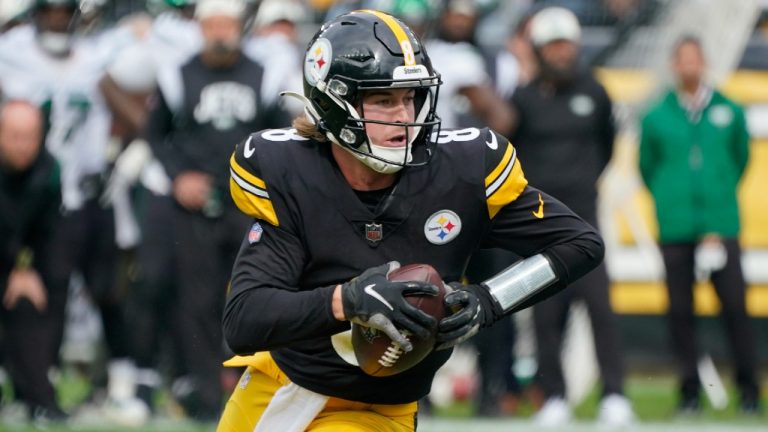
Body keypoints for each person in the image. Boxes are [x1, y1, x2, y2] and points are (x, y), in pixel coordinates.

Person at [216, 10, 604, 431]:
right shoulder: (289, 173)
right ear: (333, 102)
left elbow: (580, 243)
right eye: (384, 99)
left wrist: (489, 301)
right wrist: (348, 301)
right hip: (276, 393)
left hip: (379, 411)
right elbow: (244, 319)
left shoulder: (460, 172)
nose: (404, 115)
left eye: (411, 97)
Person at [506, 7, 634, 426]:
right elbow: (510, 150)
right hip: (541, 222)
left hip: (585, 215)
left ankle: (614, 394)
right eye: (553, 45)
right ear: (540, 50)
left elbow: (608, 146)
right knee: (546, 313)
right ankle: (553, 396)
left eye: (567, 44)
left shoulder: (595, 92)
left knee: (600, 307)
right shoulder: (523, 97)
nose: (562, 53)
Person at [142, 0, 268, 420]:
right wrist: (179, 177)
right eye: (211, 24)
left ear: (238, 27)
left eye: (225, 24)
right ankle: (207, 400)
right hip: (196, 205)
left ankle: (260, 392)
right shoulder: (177, 75)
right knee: (196, 302)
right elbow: (155, 134)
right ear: (200, 28)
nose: (218, 32)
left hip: (248, 204)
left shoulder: (266, 74)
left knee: (258, 296)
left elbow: (279, 135)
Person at [639, 35, 761, 414]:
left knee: (735, 308)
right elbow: (648, 166)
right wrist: (670, 198)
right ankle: (690, 392)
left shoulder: (729, 110)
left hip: (720, 226)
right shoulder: (658, 115)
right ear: (675, 65)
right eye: (682, 59)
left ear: (703, 62)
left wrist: (717, 202)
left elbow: (740, 158)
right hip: (675, 226)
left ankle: (749, 392)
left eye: (695, 58)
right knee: (680, 311)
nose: (689, 65)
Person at [0, 100, 64, 423]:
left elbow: (46, 233)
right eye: (15, 136)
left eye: (30, 137)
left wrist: (23, 270)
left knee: (33, 300)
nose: (23, 146)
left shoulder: (49, 170)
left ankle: (39, 398)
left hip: (14, 262)